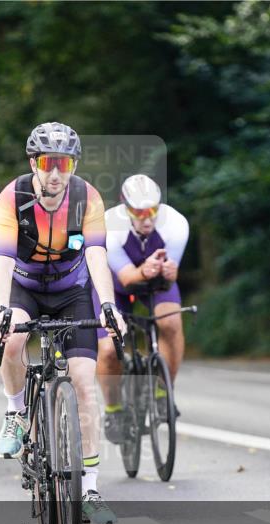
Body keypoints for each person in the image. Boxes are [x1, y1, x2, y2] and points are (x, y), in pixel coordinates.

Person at [0, 122, 125, 524]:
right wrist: (0, 310)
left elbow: (98, 257)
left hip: (72, 290)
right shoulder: (13, 198)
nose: (55, 173)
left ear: (73, 165)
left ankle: (91, 493)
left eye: (64, 164)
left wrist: (108, 306)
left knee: (84, 383)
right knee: (12, 341)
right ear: (34, 162)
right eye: (48, 163)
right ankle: (15, 413)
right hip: (25, 289)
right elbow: (3, 262)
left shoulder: (87, 197)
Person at [95, 174, 189, 444]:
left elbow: (170, 276)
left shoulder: (176, 223)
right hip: (116, 286)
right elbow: (126, 278)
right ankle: (113, 408)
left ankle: (163, 391)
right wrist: (144, 270)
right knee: (109, 351)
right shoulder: (110, 225)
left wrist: (170, 272)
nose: (147, 219)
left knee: (170, 324)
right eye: (139, 212)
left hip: (154, 282)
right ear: (126, 209)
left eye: (152, 211)